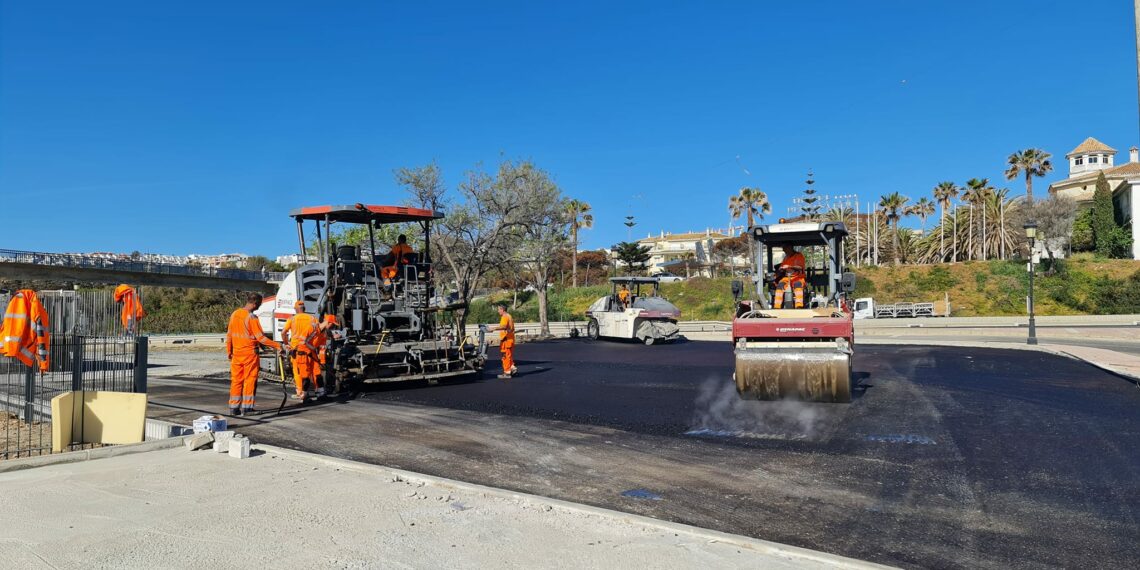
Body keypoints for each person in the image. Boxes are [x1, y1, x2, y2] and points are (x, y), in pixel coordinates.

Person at [225, 292, 281, 415]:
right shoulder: (252, 317)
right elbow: (261, 338)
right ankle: (247, 408)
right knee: (249, 380)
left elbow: (229, 335)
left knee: (236, 381)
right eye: (260, 304)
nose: (260, 306)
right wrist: (277, 345)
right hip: (249, 355)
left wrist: (229, 351)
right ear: (255, 303)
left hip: (236, 355)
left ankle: (234, 408)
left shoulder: (235, 314)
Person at [282, 300, 322, 400]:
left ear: (296, 309)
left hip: (297, 350)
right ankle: (319, 391)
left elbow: (283, 332)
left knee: (299, 371)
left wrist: (286, 343)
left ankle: (301, 392)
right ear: (304, 309)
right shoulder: (312, 318)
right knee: (314, 370)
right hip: (310, 349)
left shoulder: (292, 319)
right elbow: (319, 331)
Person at [772, 245, 807, 309]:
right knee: (780, 285)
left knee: (798, 284)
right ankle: (777, 307)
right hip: (787, 278)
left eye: (785, 249)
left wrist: (789, 266)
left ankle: (799, 306)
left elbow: (800, 267)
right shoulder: (786, 257)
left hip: (798, 277)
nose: (784, 251)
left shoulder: (799, 256)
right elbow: (781, 268)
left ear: (790, 248)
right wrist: (780, 271)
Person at [486, 304, 516, 379]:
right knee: (509, 355)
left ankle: (507, 372)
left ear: (502, 309)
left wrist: (493, 328)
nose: (498, 311)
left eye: (499, 309)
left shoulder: (504, 317)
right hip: (510, 338)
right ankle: (512, 367)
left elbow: (503, 326)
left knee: (505, 356)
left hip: (506, 339)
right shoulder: (509, 316)